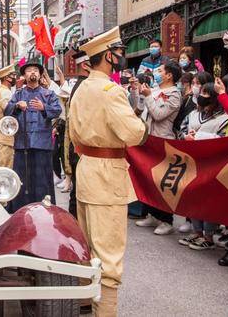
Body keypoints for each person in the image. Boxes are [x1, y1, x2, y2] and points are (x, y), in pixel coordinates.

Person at [68, 27, 148, 316]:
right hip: (108, 172)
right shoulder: (110, 91)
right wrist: (141, 125)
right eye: (120, 53)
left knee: (87, 243)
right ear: (110, 57)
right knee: (109, 252)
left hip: (87, 168)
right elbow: (133, 132)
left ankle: (85, 302)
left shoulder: (81, 89)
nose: (122, 58)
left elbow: (73, 135)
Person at [4, 58, 62, 212]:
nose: (33, 73)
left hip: (42, 145)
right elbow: (6, 112)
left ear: (40, 74)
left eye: (35, 70)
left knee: (42, 180)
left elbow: (58, 111)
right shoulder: (18, 94)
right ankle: (19, 210)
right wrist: (16, 106)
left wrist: (44, 107)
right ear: (24, 75)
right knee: (21, 179)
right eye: (29, 70)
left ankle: (45, 209)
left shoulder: (48, 94)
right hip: (22, 143)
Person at [178, 82, 228, 252]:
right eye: (201, 93)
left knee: (209, 198)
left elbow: (225, 140)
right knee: (193, 195)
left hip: (213, 164)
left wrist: (203, 138)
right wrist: (186, 136)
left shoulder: (224, 118)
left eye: (207, 94)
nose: (202, 96)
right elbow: (181, 130)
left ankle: (208, 235)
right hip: (194, 162)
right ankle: (197, 231)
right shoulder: (193, 114)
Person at [135, 61, 182, 236]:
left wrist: (148, 96)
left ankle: (166, 220)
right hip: (149, 139)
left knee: (163, 182)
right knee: (149, 179)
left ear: (169, 75)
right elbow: (140, 111)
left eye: (160, 70)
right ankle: (152, 214)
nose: (157, 73)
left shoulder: (175, 95)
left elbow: (159, 115)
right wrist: (140, 94)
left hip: (163, 142)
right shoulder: (154, 90)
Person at [62, 50, 91, 218]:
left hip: (77, 146)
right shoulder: (84, 86)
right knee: (80, 191)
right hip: (81, 147)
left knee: (77, 189)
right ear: (86, 65)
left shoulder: (80, 85)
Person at [0, 64, 16, 168]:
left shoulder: (2, 90)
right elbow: (10, 112)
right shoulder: (5, 92)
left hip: (1, 134)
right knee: (5, 167)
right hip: (4, 136)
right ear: (6, 77)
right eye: (13, 75)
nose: (15, 77)